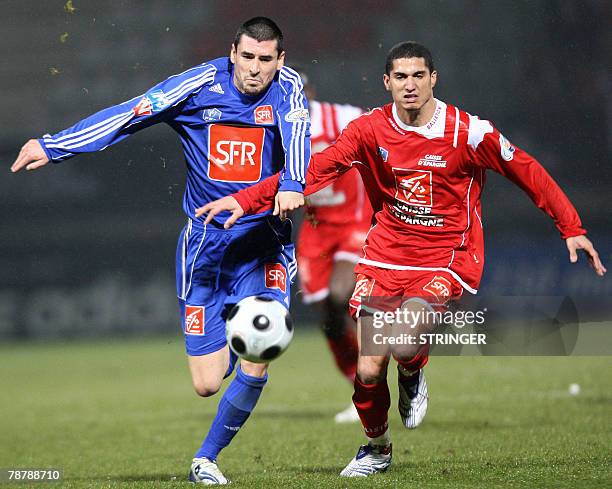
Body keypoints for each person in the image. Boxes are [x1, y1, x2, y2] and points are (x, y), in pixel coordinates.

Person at [196, 41, 607, 477]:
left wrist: (572, 227)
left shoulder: (467, 132)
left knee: (405, 340)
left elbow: (525, 169)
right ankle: (376, 448)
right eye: (401, 77)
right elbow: (310, 172)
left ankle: (412, 373)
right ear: (387, 82)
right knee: (370, 368)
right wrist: (245, 199)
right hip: (386, 256)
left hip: (446, 257)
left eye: (418, 76)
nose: (409, 85)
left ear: (433, 79)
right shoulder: (369, 129)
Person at [11, 17, 310, 485]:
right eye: (247, 57)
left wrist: (292, 182)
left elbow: (296, 133)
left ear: (280, 60)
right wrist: (54, 146)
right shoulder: (194, 88)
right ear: (233, 52)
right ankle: (234, 339)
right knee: (207, 384)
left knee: (261, 346)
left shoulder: (288, 89)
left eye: (265, 60)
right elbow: (130, 114)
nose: (255, 69)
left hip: (262, 244)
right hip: (205, 249)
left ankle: (205, 460)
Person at [294, 69, 372, 423]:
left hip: (354, 220)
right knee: (327, 316)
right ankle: (360, 388)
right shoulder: (274, 129)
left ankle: (380, 377)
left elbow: (381, 132)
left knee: (342, 294)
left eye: (298, 90)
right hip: (314, 228)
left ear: (310, 91)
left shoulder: (341, 117)